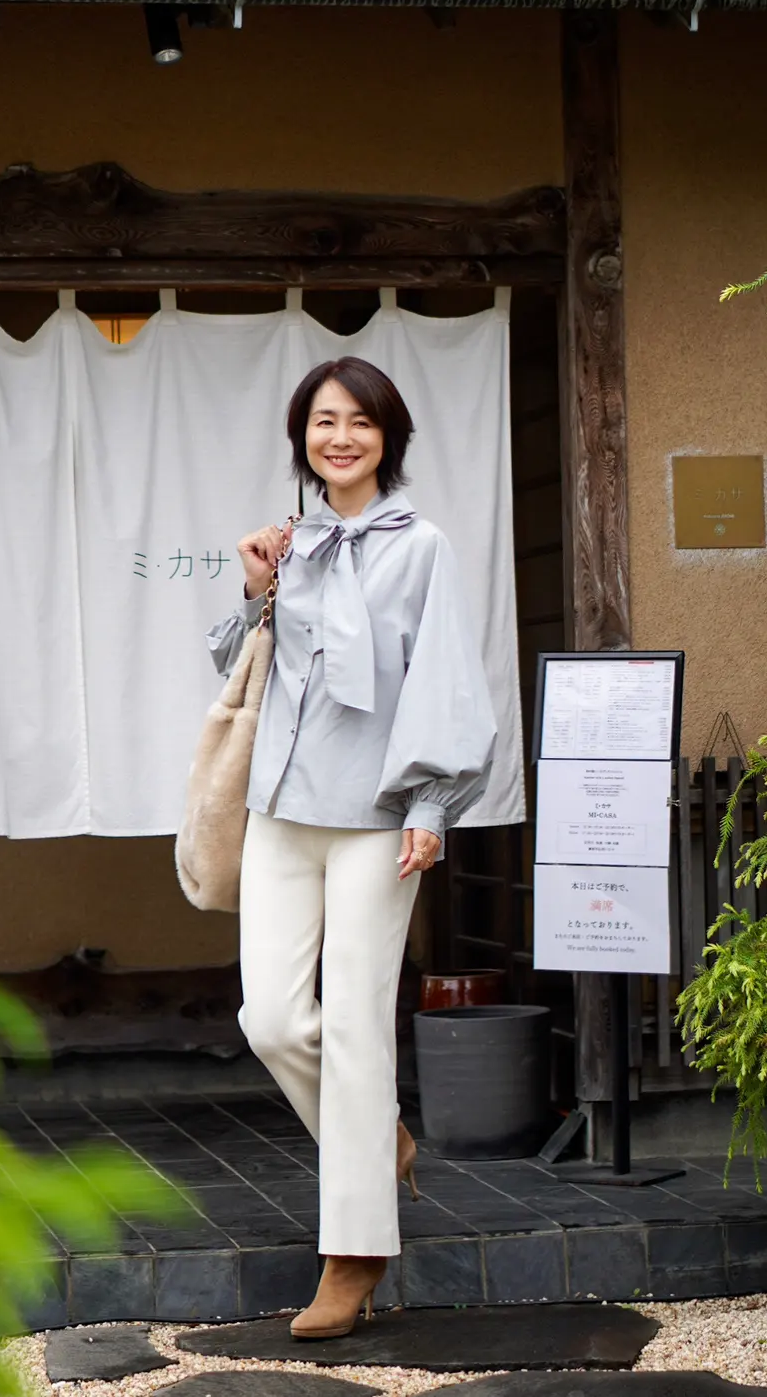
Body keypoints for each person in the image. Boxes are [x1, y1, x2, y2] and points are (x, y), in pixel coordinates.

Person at [207, 355, 497, 1340]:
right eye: (323, 422)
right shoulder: (287, 545)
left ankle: (355, 1254)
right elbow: (233, 659)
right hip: (281, 809)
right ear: (303, 438)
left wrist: (432, 803)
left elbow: (443, 677)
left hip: (378, 816)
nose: (340, 437)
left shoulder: (420, 547)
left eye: (359, 422)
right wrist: (255, 587)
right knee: (274, 1021)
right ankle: (384, 1145)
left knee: (362, 1033)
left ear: (388, 437)